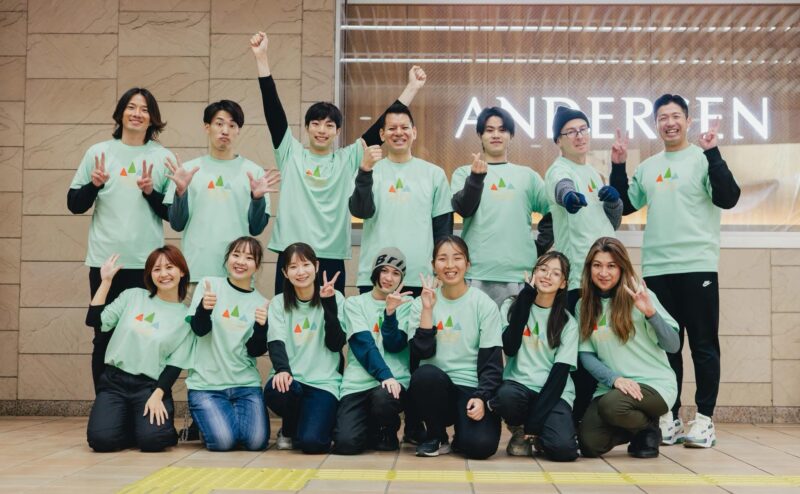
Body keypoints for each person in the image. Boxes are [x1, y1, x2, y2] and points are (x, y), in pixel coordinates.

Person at [249, 32, 427, 294]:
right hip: (293, 254)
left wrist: (411, 88)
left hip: (331, 255)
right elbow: (273, 111)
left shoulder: (348, 158)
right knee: (285, 314)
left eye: (329, 125)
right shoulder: (290, 153)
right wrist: (262, 58)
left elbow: (381, 127)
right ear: (307, 128)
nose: (322, 130)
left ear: (337, 131)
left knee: (332, 318)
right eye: (316, 124)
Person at [610, 95, 740, 448]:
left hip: (697, 265)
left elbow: (728, 197)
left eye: (676, 116)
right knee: (666, 348)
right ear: (656, 124)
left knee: (703, 345)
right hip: (657, 269)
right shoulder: (649, 167)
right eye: (663, 117)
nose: (669, 122)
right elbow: (623, 206)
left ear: (687, 120)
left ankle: (705, 421)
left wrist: (713, 153)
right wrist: (618, 165)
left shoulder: (703, 159)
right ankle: (669, 417)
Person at [68, 87, 175, 392]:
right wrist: (94, 185)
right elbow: (74, 204)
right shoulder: (98, 153)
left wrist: (150, 193)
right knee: (103, 334)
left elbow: (172, 215)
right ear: (120, 113)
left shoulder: (163, 157)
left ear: (152, 118)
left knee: (144, 335)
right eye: (131, 107)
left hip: (148, 265)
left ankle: (141, 403)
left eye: (144, 109)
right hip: (107, 264)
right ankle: (106, 403)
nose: (137, 114)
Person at [543, 106, 623, 425]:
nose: (579, 136)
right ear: (558, 140)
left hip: (604, 278)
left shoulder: (593, 173)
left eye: (583, 130)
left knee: (601, 350)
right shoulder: (558, 170)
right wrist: (569, 198)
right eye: (571, 132)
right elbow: (562, 188)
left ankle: (594, 419)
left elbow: (609, 224)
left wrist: (614, 202)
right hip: (577, 281)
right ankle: (573, 422)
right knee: (581, 355)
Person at [576, 237, 680, 459]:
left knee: (612, 406)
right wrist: (614, 379)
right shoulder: (583, 305)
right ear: (589, 268)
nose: (604, 273)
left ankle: (649, 428)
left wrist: (651, 313)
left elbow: (673, 345)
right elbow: (586, 355)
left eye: (611, 266)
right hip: (614, 387)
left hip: (654, 384)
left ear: (622, 268)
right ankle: (640, 430)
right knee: (589, 444)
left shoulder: (640, 296)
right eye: (597, 265)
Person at [85, 245, 193, 452]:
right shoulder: (133, 296)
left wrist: (158, 394)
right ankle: (131, 426)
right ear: (150, 275)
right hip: (114, 382)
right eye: (156, 269)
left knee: (153, 441)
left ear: (181, 271)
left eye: (169, 267)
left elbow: (175, 365)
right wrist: (106, 281)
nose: (163, 274)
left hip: (149, 386)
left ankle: (155, 428)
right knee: (101, 441)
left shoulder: (186, 318)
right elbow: (94, 320)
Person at [163, 100, 280, 283]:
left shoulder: (254, 173)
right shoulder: (187, 171)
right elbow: (177, 224)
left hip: (238, 277)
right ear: (207, 127)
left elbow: (256, 229)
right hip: (196, 272)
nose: (225, 130)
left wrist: (257, 199)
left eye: (232, 125)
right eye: (219, 124)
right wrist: (181, 192)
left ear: (238, 130)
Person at [407, 236, 503, 459]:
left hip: (470, 388)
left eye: (457, 258)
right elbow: (421, 353)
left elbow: (492, 362)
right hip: (435, 388)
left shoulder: (484, 304)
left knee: (480, 447)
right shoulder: (420, 304)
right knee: (424, 375)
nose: (450, 265)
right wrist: (428, 310)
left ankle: (463, 435)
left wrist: (482, 397)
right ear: (433, 265)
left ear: (467, 264)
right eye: (442, 259)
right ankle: (437, 435)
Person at [451, 106, 553, 306]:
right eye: (489, 130)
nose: (496, 135)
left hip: (520, 275)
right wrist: (475, 179)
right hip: (475, 273)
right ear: (480, 135)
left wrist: (539, 246)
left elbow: (553, 211)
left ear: (511, 135)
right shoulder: (464, 173)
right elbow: (463, 209)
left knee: (517, 328)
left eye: (502, 130)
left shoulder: (528, 176)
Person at [350, 104, 453, 297]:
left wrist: (442, 270)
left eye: (404, 127)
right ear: (382, 135)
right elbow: (360, 211)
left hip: (420, 278)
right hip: (376, 277)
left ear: (414, 132)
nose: (399, 133)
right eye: (392, 128)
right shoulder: (368, 171)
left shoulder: (434, 174)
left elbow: (443, 230)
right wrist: (365, 171)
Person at [490, 251, 579, 462]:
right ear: (533, 273)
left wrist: (536, 421)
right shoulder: (510, 306)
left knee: (564, 451)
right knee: (505, 397)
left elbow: (559, 376)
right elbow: (510, 348)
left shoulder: (567, 322)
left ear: (563, 283)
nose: (547, 276)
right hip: (518, 386)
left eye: (555, 273)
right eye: (543, 269)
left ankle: (538, 435)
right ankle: (520, 430)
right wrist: (525, 300)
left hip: (554, 392)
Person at [185, 237, 270, 452]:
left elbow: (255, 350)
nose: (241, 261)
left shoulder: (261, 302)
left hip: (245, 385)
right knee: (224, 442)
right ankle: (212, 424)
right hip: (207, 385)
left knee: (256, 443)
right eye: (236, 255)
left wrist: (262, 327)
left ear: (257, 265)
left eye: (249, 258)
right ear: (227, 259)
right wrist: (204, 309)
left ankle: (220, 420)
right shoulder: (209, 285)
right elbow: (199, 330)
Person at [264, 242, 347, 454]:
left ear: (316, 266)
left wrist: (329, 304)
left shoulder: (335, 297)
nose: (300, 272)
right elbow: (276, 342)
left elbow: (336, 344)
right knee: (278, 391)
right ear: (285, 273)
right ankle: (289, 428)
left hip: (324, 383)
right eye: (293, 267)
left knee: (313, 443)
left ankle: (309, 426)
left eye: (306, 264)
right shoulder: (278, 302)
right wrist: (283, 370)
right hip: (292, 381)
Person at [332, 248, 413, 454]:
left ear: (402, 278)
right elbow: (363, 344)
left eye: (395, 273)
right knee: (346, 444)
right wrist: (384, 374)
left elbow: (395, 344)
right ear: (374, 272)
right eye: (384, 270)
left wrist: (390, 313)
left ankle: (386, 429)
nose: (388, 278)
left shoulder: (407, 305)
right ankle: (367, 427)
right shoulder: (354, 303)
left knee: (383, 398)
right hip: (357, 384)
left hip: (392, 385)